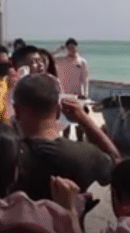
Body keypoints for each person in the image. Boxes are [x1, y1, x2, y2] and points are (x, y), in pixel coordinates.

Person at [12, 73, 120, 201]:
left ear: (16, 110)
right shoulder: (85, 155)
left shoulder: (5, 154)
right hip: (68, 219)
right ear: (58, 111)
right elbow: (116, 163)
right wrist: (84, 120)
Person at [54, 39, 90, 141]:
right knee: (65, 122)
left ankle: (80, 142)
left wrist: (85, 93)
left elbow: (85, 79)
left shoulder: (82, 61)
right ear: (66, 48)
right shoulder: (61, 60)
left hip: (78, 95)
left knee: (80, 122)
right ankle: (66, 142)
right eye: (69, 48)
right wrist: (58, 49)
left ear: (77, 47)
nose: (71, 50)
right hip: (64, 95)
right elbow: (47, 57)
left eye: (73, 47)